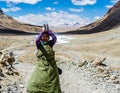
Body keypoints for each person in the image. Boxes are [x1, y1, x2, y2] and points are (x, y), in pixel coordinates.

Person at [27, 24, 62, 93]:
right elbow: (37, 39)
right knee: (39, 79)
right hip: (41, 65)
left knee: (52, 81)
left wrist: (49, 32)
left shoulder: (50, 43)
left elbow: (54, 38)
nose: (45, 38)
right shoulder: (39, 44)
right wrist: (42, 32)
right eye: (43, 36)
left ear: (48, 37)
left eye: (47, 37)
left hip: (51, 65)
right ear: (41, 37)